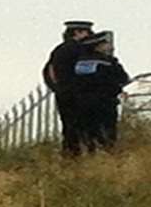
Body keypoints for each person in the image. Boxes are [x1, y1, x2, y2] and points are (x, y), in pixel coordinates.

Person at [43, 20, 96, 156]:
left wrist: (57, 88)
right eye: (86, 32)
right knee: (84, 126)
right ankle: (82, 155)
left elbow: (48, 71)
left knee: (69, 126)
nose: (90, 35)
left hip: (64, 93)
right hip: (80, 93)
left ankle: (70, 155)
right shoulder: (81, 50)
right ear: (77, 32)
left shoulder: (59, 50)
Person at [73, 31, 130, 151]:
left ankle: (92, 152)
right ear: (98, 46)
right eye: (105, 44)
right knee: (108, 131)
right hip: (106, 101)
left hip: (84, 102)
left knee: (90, 131)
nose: (109, 46)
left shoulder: (80, 63)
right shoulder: (109, 61)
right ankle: (109, 152)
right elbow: (123, 78)